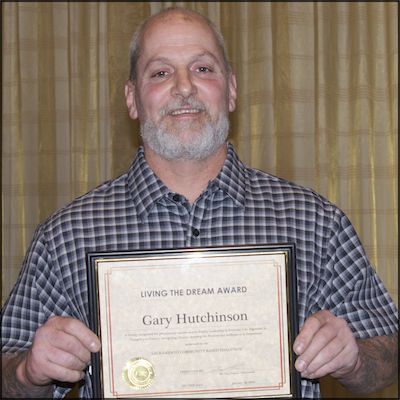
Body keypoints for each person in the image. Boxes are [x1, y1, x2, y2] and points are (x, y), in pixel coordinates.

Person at [1, 7, 398, 399]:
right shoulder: (65, 235)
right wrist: (29, 370)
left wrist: (354, 359)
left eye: (203, 69)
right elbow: (6, 371)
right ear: (132, 99)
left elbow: (387, 357)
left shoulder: (316, 222)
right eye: (160, 73)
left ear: (232, 89)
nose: (184, 87)